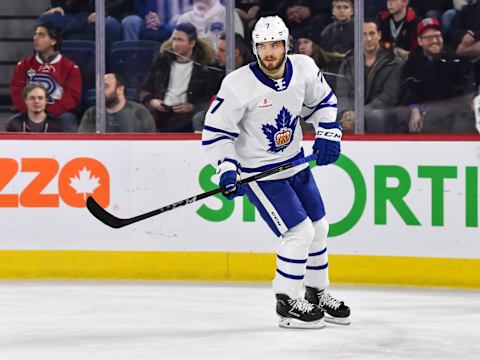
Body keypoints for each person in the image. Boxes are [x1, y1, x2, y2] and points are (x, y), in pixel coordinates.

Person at [202, 16, 350, 329]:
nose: (269, 52)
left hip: (295, 163)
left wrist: (327, 132)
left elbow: (322, 103)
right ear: (255, 48)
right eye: (263, 46)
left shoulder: (305, 68)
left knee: (319, 228)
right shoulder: (238, 84)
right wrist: (228, 169)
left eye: (275, 45)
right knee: (300, 233)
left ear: (287, 45)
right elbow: (216, 133)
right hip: (261, 174)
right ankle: (287, 302)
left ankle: (315, 291)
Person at [391, 17, 476, 133]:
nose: (435, 40)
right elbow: (408, 90)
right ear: (420, 41)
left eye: (437, 36)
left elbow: (466, 90)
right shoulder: (413, 63)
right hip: (426, 110)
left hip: (453, 110)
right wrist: (414, 108)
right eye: (429, 38)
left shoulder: (455, 60)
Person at [139, 23, 213, 132]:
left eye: (180, 40)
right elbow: (144, 89)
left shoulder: (205, 68)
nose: (175, 44)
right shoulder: (161, 61)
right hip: (159, 116)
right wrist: (152, 101)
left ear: (192, 43)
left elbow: (209, 100)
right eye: (174, 39)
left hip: (187, 119)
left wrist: (193, 107)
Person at [10, 22, 81, 132]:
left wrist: (46, 111)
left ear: (53, 41)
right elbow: (17, 93)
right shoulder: (23, 65)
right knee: (13, 122)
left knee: (68, 121)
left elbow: (72, 97)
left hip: (58, 113)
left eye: (41, 35)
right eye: (35, 34)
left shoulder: (70, 67)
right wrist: (32, 109)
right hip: (29, 111)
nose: (35, 38)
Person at [335, 20, 404, 133]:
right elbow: (342, 92)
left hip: (380, 111)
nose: (368, 39)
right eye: (363, 34)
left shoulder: (393, 62)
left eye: (372, 33)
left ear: (379, 35)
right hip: (351, 112)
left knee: (375, 116)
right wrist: (346, 112)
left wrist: (359, 114)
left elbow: (388, 96)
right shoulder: (348, 62)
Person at [79, 73, 155, 132]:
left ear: (120, 89)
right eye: (98, 87)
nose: (100, 91)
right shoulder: (91, 113)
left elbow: (152, 143)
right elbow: (83, 143)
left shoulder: (139, 112)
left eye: (106, 86)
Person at [176, 0, 245, 50]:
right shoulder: (185, 18)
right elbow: (173, 45)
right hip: (192, 64)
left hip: (220, 65)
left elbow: (237, 46)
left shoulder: (229, 15)